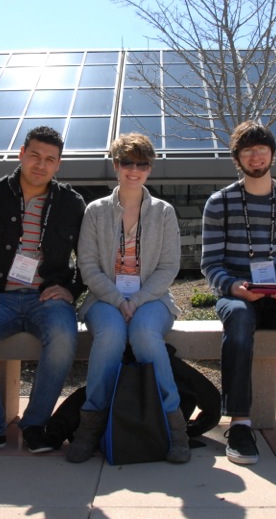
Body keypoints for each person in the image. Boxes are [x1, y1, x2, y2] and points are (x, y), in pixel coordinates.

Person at [0, 125, 86, 458]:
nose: (41, 165)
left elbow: (91, 258)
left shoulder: (71, 203)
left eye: (50, 159)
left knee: (65, 335)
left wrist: (71, 289)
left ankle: (35, 425)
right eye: (36, 156)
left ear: (59, 164)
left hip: (47, 299)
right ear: (21, 154)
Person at [200, 120, 276, 466]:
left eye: (261, 149)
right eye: (247, 151)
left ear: (272, 153)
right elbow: (210, 263)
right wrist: (233, 286)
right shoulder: (220, 203)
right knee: (239, 320)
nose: (255, 157)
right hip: (239, 295)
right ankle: (239, 422)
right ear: (236, 158)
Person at [66, 133, 191, 464]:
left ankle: (175, 426)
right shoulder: (95, 211)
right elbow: (88, 266)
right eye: (127, 163)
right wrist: (118, 299)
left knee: (145, 335)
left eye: (142, 164)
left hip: (151, 299)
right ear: (115, 166)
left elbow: (169, 267)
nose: (134, 170)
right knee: (110, 336)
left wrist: (136, 300)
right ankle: (90, 425)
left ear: (150, 169)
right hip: (104, 299)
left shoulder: (164, 212)